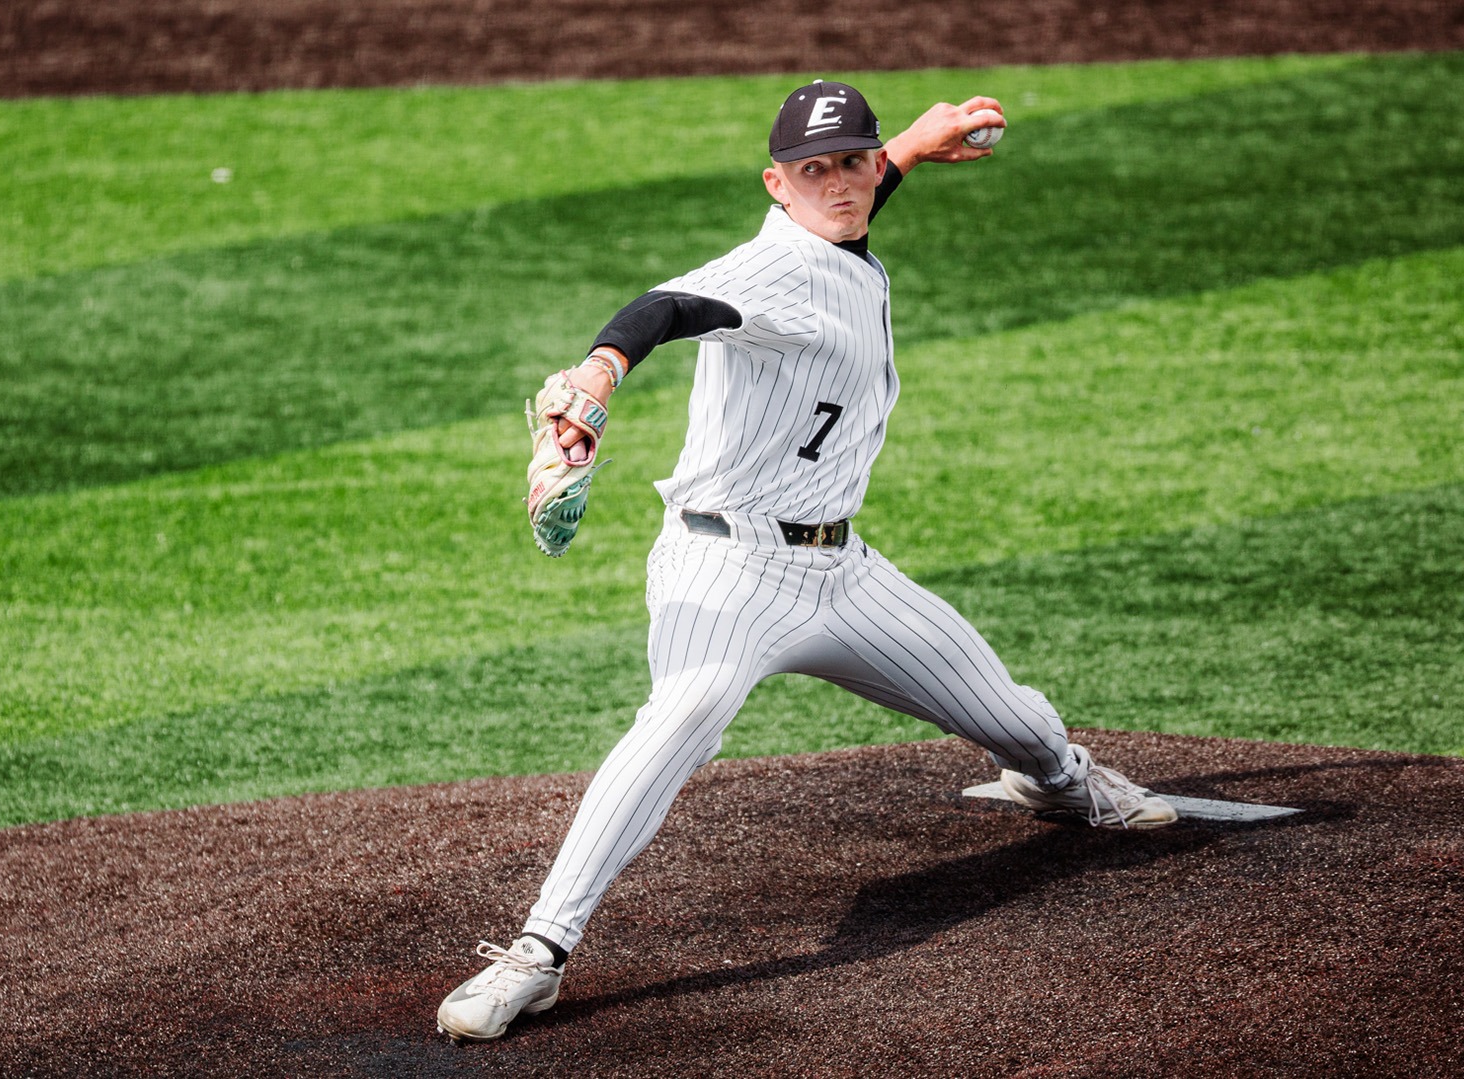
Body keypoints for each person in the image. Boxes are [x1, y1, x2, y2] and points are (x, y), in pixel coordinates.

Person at [437, 80, 1177, 1043]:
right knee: (683, 717)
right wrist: (597, 373)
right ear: (774, 185)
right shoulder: (768, 269)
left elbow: (855, 220)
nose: (840, 183)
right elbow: (667, 306)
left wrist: (908, 143)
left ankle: (1059, 784)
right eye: (814, 170)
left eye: (854, 162)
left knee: (1018, 719)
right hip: (725, 574)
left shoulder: (840, 227)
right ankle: (537, 952)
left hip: (842, 573)